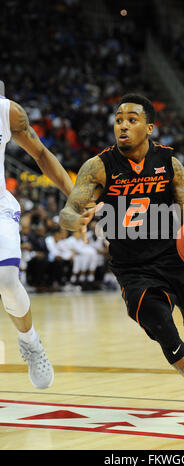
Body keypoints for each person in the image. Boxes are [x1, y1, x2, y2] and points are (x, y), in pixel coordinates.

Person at [59, 93, 184, 433]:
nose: (122, 125)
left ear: (150, 127)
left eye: (132, 119)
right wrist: (75, 218)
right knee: (162, 331)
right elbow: (69, 209)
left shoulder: (169, 162)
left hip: (176, 258)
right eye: (118, 119)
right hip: (133, 270)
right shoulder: (99, 166)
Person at [0, 89, 73, 389]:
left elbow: (41, 154)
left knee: (5, 278)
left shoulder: (7, 112)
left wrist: (74, 195)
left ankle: (30, 342)